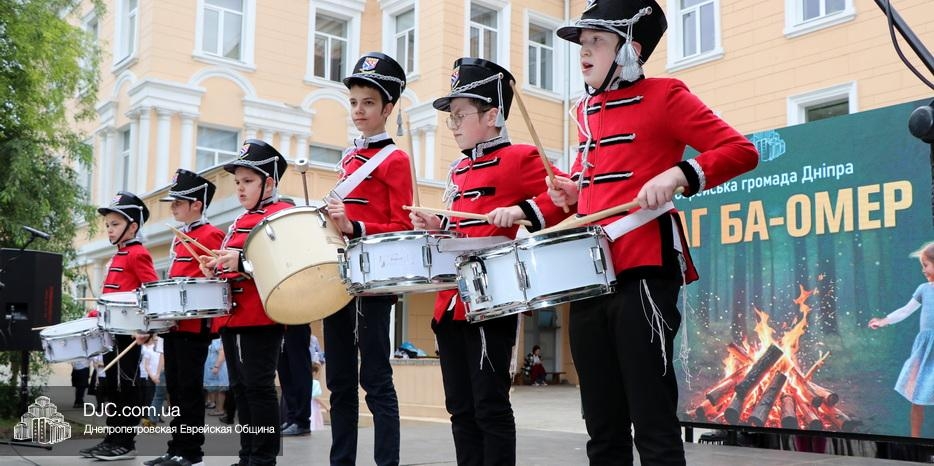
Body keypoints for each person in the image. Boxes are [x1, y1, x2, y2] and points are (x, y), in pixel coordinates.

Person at [548, 2, 759, 464]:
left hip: (643, 268)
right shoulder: (587, 111)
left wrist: (681, 173)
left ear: (630, 50)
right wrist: (573, 191)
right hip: (588, 275)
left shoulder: (666, 95)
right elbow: (606, 180)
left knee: (652, 420)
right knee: (601, 424)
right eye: (582, 44)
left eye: (596, 42)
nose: (583, 53)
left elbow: (740, 150)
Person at [409, 57, 567, 465]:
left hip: (490, 300)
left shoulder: (520, 158)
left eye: (461, 114)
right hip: (449, 303)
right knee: (459, 409)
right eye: (452, 117)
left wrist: (522, 211)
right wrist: (438, 222)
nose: (455, 124)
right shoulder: (459, 169)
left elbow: (567, 196)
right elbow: (464, 228)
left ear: (493, 115)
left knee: (489, 407)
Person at [323, 51, 411, 466]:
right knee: (339, 383)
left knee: (375, 381)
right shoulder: (348, 157)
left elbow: (402, 227)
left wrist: (355, 227)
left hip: (375, 282)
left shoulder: (396, 159)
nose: (359, 111)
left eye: (369, 103)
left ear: (388, 108)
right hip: (339, 279)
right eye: (354, 102)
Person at [201, 139, 291, 466]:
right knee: (240, 389)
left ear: (270, 182)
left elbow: (284, 265)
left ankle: (263, 458)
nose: (240, 188)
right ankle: (247, 456)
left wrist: (241, 264)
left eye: (248, 181)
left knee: (259, 388)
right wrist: (214, 268)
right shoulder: (239, 221)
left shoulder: (281, 215)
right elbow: (234, 265)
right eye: (238, 182)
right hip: (233, 317)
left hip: (260, 316)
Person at [144, 168, 225, 466]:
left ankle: (192, 452)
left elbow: (215, 281)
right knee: (176, 390)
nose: (173, 207)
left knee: (189, 391)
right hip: (174, 324)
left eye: (179, 202)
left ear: (197, 205)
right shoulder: (181, 237)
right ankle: (175, 448)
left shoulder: (211, 234)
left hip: (195, 325)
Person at [79, 191, 159, 461]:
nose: (109, 230)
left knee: (127, 386)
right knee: (111, 387)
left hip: (129, 334)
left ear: (132, 226)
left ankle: (126, 442)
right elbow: (113, 295)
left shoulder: (137, 254)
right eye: (108, 225)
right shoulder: (119, 255)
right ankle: (112, 439)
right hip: (111, 332)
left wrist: (148, 328)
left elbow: (151, 293)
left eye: (115, 224)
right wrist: (95, 313)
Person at [869, 241, 934, 438]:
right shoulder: (924, 289)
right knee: (917, 395)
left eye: (926, 264)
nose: (923, 270)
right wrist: (884, 321)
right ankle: (914, 439)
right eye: (922, 265)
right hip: (925, 349)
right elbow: (906, 310)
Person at [278, 324, 313, 436]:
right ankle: (291, 418)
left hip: (297, 321)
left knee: (299, 371)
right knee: (284, 371)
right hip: (279, 323)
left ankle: (302, 421)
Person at [203, 338, 228, 416]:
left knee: (220, 390)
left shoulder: (218, 341)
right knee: (217, 389)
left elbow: (222, 353)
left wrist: (216, 366)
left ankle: (220, 410)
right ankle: (217, 409)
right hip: (215, 369)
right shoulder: (215, 340)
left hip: (219, 369)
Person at [309, 362, 326, 433]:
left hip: (308, 406)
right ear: (314, 373)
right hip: (314, 408)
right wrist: (326, 406)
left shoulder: (306, 382)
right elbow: (316, 397)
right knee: (314, 424)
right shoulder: (315, 383)